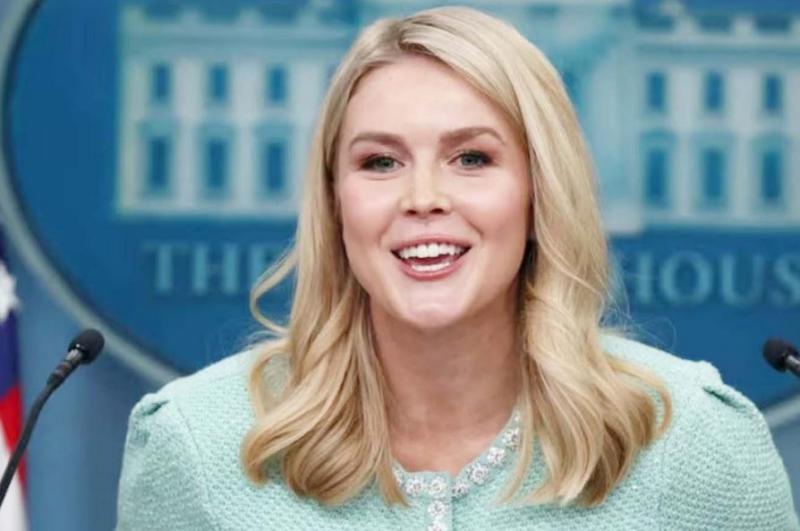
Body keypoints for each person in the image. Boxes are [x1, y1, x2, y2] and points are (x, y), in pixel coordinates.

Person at [115, 6, 798, 530]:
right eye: (380, 162)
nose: (423, 198)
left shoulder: (694, 441)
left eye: (472, 158)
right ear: (334, 201)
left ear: (541, 191)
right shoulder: (195, 442)